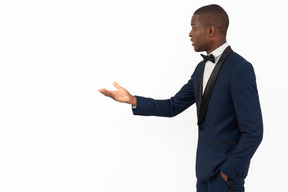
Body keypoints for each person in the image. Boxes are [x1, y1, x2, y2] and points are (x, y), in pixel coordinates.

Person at [98, 4, 263, 192]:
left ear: (211, 30)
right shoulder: (200, 69)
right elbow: (172, 106)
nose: (190, 34)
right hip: (202, 174)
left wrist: (228, 171)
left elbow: (254, 131)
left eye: (194, 27)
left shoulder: (240, 69)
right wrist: (133, 100)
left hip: (225, 178)